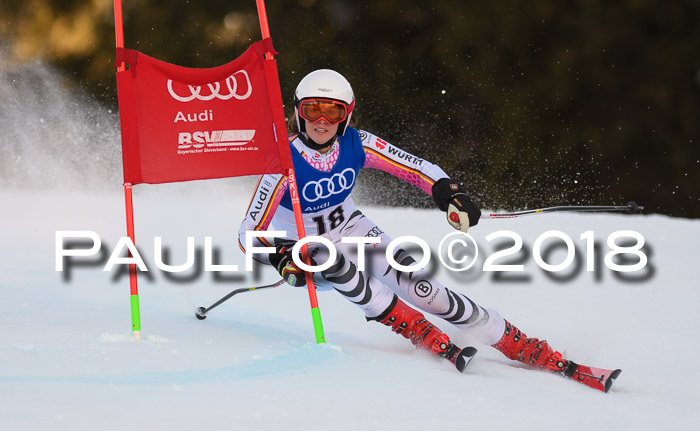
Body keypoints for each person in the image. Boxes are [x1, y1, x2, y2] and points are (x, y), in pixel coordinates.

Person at [238, 69, 619, 392]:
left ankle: (524, 346)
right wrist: (280, 253)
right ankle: (416, 329)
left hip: (354, 230)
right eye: (312, 109)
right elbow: (247, 232)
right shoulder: (281, 162)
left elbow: (418, 167)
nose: (322, 120)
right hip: (309, 252)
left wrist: (451, 195)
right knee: (329, 258)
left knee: (427, 291)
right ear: (298, 112)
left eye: (333, 111)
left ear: (347, 115)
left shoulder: (358, 144)